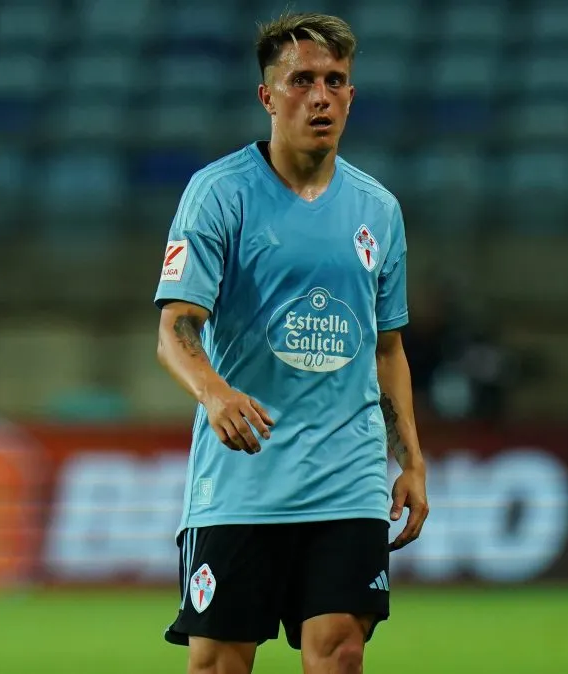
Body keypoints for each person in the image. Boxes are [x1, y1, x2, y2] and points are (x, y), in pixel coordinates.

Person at [153, 12, 429, 674]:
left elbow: (387, 349)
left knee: (338, 652)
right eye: (301, 79)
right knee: (219, 663)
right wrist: (214, 394)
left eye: (335, 81)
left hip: (348, 477)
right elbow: (176, 326)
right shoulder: (218, 195)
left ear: (352, 96)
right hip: (243, 479)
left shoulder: (378, 211)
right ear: (268, 96)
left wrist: (411, 462)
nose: (320, 95)